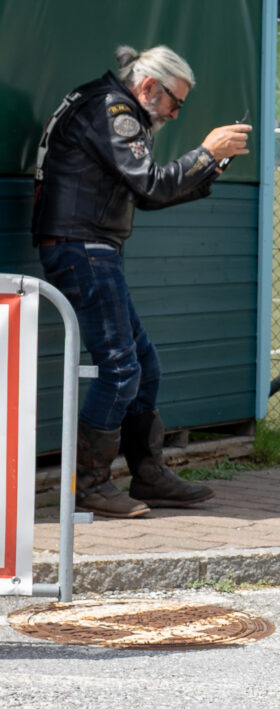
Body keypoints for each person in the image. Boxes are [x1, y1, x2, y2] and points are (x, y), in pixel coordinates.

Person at [32, 44, 250, 518]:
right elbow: (151, 184)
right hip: (84, 248)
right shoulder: (115, 112)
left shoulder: (103, 103)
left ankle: (147, 475)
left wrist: (211, 165)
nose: (174, 113)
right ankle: (90, 485)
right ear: (149, 86)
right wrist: (205, 153)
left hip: (86, 247)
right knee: (121, 368)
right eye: (175, 102)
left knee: (142, 364)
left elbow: (146, 193)